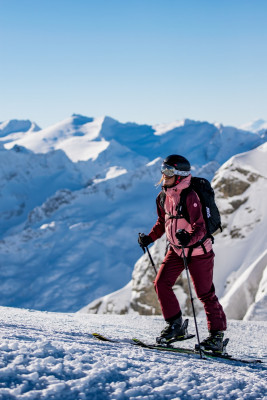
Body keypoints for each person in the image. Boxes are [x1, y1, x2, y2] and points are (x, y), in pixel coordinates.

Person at [138, 154, 227, 352]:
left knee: (205, 294)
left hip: (199, 252)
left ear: (179, 175)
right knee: (161, 283)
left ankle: (216, 338)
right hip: (177, 251)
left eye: (168, 171)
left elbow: (201, 227)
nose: (164, 174)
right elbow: (163, 222)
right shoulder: (163, 196)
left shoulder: (190, 196)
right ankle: (175, 326)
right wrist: (150, 238)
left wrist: (189, 238)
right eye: (163, 170)